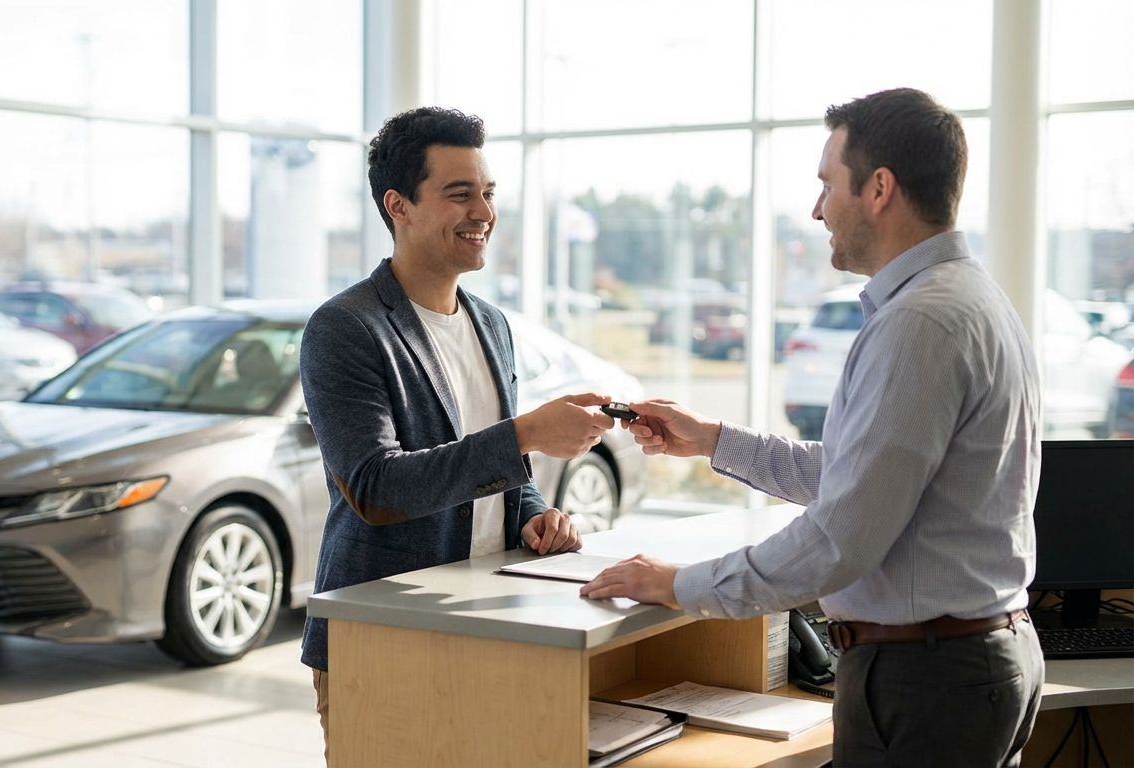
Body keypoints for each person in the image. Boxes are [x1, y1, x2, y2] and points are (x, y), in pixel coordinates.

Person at [581, 88, 1045, 768]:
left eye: (828, 184)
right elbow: (858, 476)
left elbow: (840, 539)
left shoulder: (919, 323)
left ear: (879, 189)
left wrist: (676, 584)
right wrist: (713, 439)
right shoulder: (965, 298)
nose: (817, 208)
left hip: (928, 677)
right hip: (964, 661)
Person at [301, 106, 616, 754]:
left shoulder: (493, 324)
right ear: (399, 205)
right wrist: (525, 434)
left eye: (489, 193)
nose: (483, 212)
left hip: (490, 624)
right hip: (382, 635)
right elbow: (376, 488)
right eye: (459, 193)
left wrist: (532, 512)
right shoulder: (346, 328)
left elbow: (494, 470)